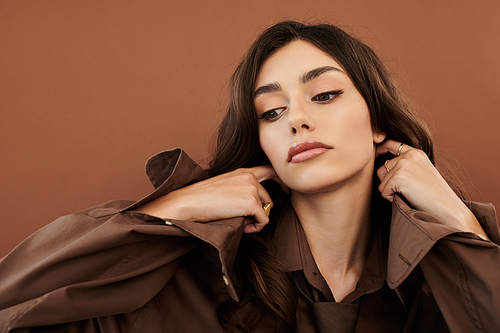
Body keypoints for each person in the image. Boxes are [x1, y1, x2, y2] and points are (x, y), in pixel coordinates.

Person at [0, 21, 498, 333]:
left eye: (323, 96)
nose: (296, 120)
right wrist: (173, 208)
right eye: (271, 112)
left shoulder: (440, 281)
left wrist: (459, 223)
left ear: (378, 123)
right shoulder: (191, 278)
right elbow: (12, 304)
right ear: (260, 143)